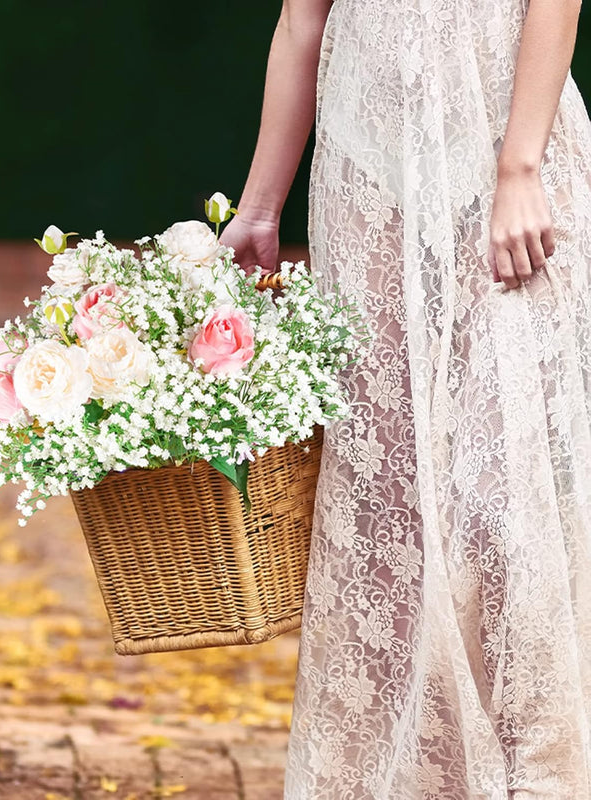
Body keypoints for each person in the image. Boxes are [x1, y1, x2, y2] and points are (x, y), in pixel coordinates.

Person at [221, 0, 591, 796]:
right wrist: (259, 206)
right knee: (392, 488)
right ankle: (418, 771)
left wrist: (518, 169)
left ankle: (539, 768)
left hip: (505, 148)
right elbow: (300, 23)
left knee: (501, 490)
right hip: (369, 172)